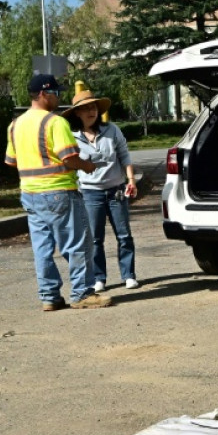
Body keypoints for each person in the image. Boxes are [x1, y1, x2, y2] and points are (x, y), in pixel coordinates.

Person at [5, 74, 111, 311]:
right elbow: (70, 159)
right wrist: (89, 166)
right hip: (59, 191)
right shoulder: (55, 123)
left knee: (42, 248)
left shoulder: (15, 125)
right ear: (43, 94)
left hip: (30, 194)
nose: (59, 97)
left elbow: (11, 161)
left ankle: (49, 296)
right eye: (56, 93)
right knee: (78, 244)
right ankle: (82, 293)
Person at [62, 88, 140, 292]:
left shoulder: (112, 130)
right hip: (89, 193)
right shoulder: (72, 137)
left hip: (116, 190)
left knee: (124, 235)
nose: (91, 111)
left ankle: (128, 275)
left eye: (93, 107)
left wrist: (131, 180)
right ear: (77, 113)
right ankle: (99, 278)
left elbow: (124, 155)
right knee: (95, 239)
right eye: (86, 108)